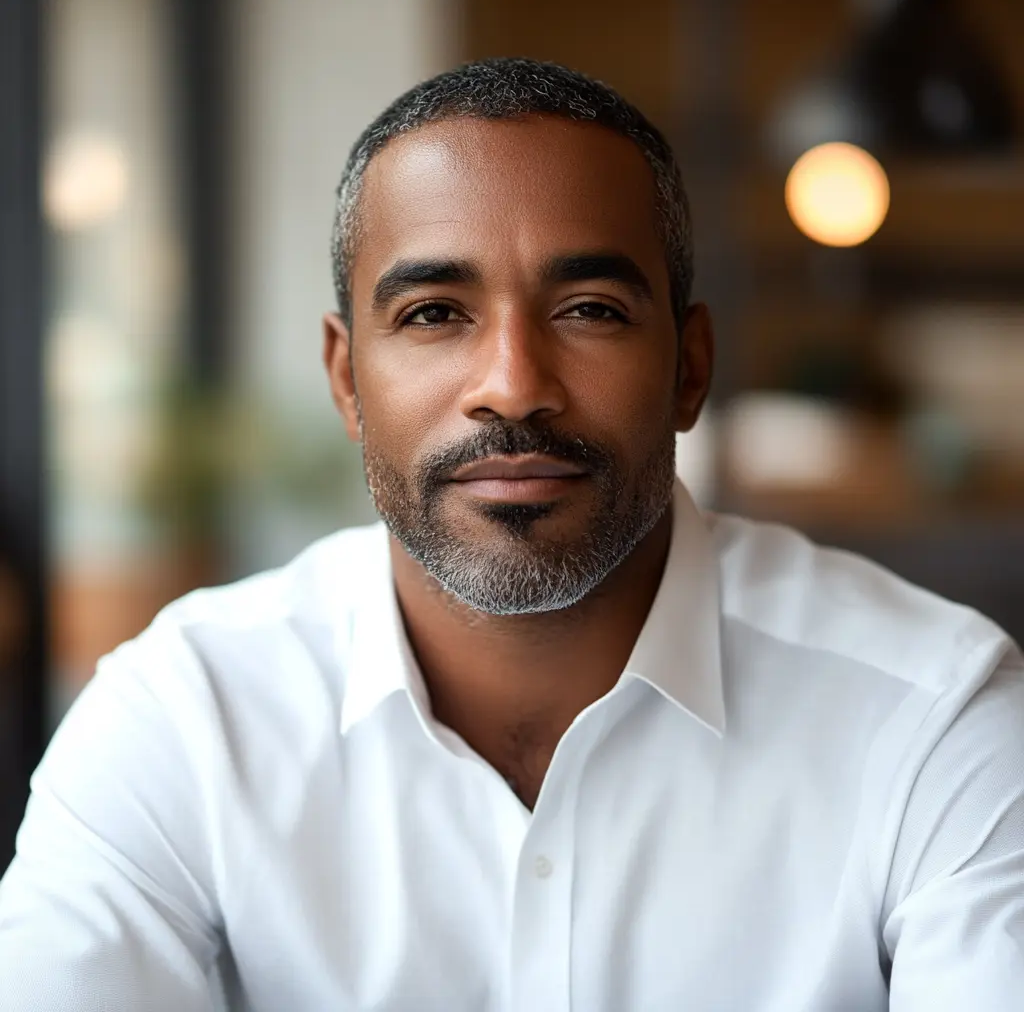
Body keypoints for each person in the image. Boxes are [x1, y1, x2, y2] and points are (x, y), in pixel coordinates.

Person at [1, 57, 1022, 1011]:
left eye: (587, 307)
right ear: (347, 377)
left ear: (689, 368)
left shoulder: (933, 722)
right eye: (436, 313)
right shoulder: (182, 722)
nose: (512, 386)